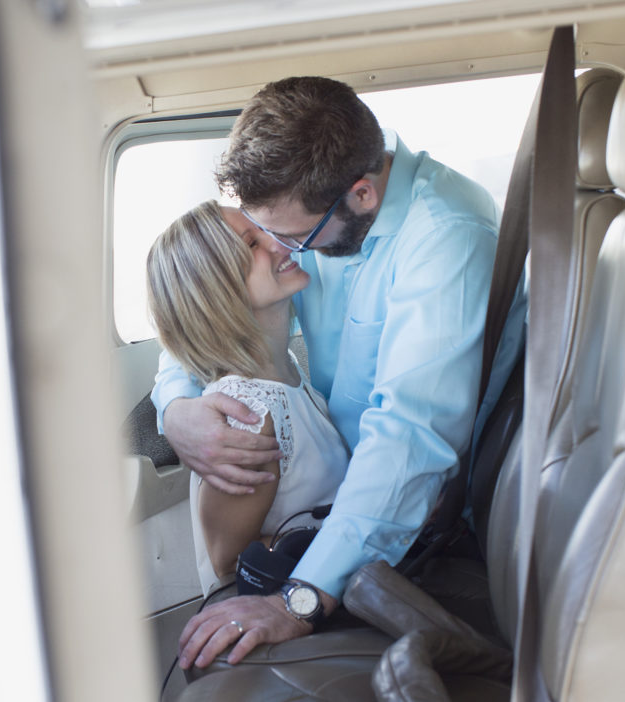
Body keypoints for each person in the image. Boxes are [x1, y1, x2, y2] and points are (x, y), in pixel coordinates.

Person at [149, 76, 502, 670]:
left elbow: (409, 437)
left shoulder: (447, 239)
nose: (285, 250)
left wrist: (301, 600)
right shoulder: (308, 215)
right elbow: (202, 311)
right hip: (347, 512)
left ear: (362, 194)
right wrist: (176, 409)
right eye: (262, 235)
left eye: (293, 236)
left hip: (419, 506)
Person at [146, 199, 350, 596]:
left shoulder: (284, 367)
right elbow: (229, 564)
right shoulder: (249, 412)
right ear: (217, 290)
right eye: (252, 244)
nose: (280, 243)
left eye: (264, 231)